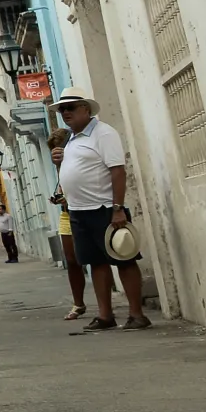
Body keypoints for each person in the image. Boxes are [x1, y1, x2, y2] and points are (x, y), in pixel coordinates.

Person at [54, 89, 151, 331]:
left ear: (86, 109)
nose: (65, 112)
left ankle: (137, 314)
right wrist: (59, 163)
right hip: (78, 210)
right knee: (95, 262)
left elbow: (117, 170)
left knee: (124, 259)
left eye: (71, 107)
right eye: (62, 109)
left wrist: (117, 208)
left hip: (104, 208)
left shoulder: (103, 134)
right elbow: (70, 175)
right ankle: (105, 315)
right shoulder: (71, 139)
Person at [48, 127, 88, 320]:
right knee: (72, 261)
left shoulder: (81, 157)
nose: (57, 152)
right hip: (67, 215)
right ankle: (78, 303)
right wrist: (60, 198)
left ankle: (106, 305)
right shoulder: (59, 166)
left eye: (59, 148)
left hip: (86, 212)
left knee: (97, 260)